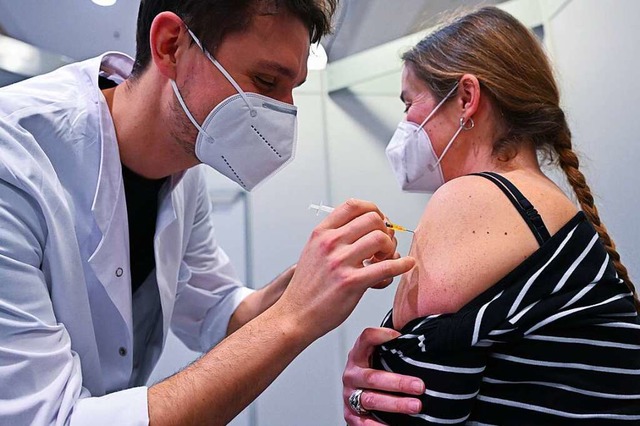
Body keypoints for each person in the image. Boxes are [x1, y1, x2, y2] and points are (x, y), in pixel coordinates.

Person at [0, 0, 417, 425]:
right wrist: (297, 316)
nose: (285, 115)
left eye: (292, 89)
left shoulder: (184, 166)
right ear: (171, 46)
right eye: (266, 79)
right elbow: (50, 419)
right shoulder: (13, 161)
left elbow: (218, 311)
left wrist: (318, 275)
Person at [343, 6, 640, 425]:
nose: (405, 124)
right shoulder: (548, 209)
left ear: (466, 97)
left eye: (410, 103)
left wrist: (363, 392)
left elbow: (405, 411)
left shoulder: (471, 198)